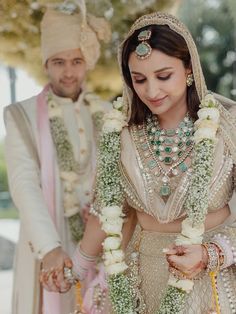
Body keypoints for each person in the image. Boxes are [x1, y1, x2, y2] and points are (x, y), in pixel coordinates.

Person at [45, 12, 236, 314]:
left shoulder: (227, 126)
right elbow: (107, 209)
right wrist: (76, 270)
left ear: (188, 68)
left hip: (212, 280)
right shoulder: (121, 134)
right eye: (139, 79)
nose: (151, 91)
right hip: (141, 278)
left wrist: (211, 253)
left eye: (163, 76)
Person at [3, 1, 111, 313]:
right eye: (59, 61)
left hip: (101, 235)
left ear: (86, 62)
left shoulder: (107, 113)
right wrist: (49, 247)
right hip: (49, 237)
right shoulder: (19, 115)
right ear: (46, 63)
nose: (68, 72)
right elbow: (24, 184)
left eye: (76, 61)